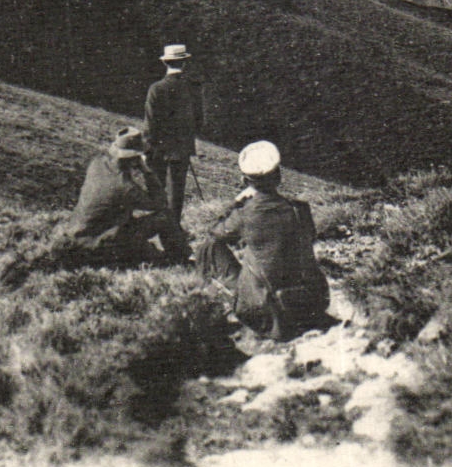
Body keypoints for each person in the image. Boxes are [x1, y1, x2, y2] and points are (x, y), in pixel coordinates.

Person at [197, 141, 330, 341]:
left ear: (244, 181)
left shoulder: (244, 214)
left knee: (209, 246)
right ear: (278, 176)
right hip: (311, 303)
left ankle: (206, 301)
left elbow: (215, 233)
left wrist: (235, 203)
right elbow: (309, 239)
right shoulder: (300, 209)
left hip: (269, 314)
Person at [48, 126, 192, 268]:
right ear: (135, 158)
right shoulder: (125, 187)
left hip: (78, 238)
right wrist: (147, 170)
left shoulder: (96, 164)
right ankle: (180, 259)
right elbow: (161, 203)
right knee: (164, 218)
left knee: (136, 236)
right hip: (98, 246)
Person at [144, 43, 203, 230]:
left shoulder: (156, 89)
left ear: (166, 63)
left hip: (158, 150)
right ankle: (173, 232)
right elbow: (198, 120)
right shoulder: (193, 89)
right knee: (176, 194)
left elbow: (150, 124)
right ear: (184, 63)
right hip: (181, 150)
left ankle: (156, 231)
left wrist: (147, 150)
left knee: (157, 192)